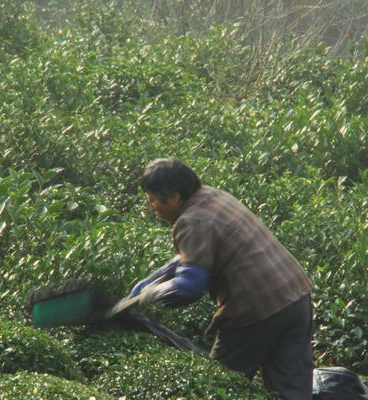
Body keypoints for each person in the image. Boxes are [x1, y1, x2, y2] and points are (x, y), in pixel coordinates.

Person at [129, 158, 314, 400]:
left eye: (153, 200)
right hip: (296, 297)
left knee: (219, 386)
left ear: (174, 197)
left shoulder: (192, 220)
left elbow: (189, 286)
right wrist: (153, 279)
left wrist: (148, 297)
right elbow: (194, 256)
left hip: (256, 310)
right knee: (291, 390)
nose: (153, 208)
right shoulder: (214, 197)